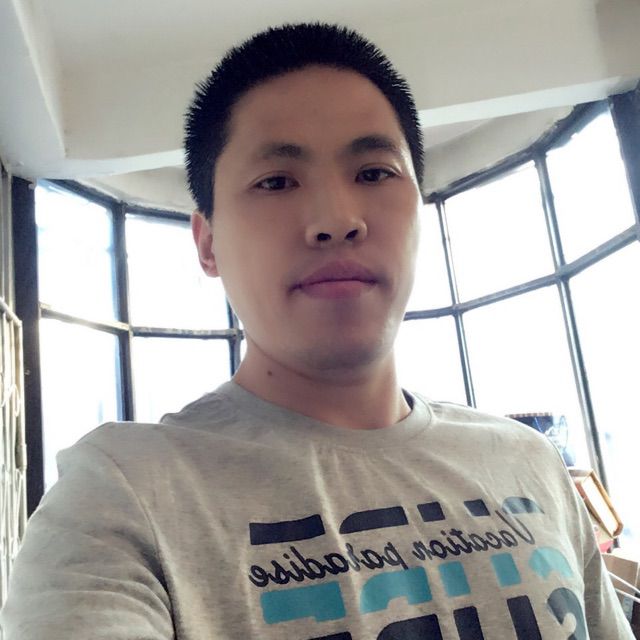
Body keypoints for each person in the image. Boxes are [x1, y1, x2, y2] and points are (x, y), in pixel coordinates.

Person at [0, 22, 633, 639]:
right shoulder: (121, 494)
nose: (336, 219)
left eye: (374, 172)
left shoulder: (529, 462)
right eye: (276, 181)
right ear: (208, 242)